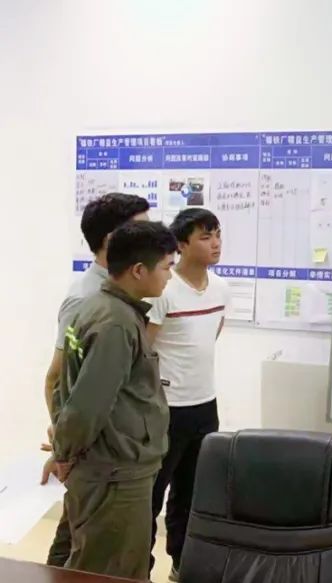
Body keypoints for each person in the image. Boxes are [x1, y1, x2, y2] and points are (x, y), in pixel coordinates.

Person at [49, 221, 177, 579]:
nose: (170, 277)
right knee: (111, 571)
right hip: (115, 476)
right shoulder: (116, 323)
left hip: (109, 469)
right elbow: (87, 405)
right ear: (138, 270)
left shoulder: (98, 307)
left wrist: (65, 450)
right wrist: (64, 454)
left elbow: (64, 389)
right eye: (166, 267)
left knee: (95, 562)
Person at [40, 192, 150, 567]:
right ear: (111, 240)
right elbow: (57, 379)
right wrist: (65, 448)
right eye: (141, 228)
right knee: (85, 547)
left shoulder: (126, 290)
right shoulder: (87, 299)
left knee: (81, 539)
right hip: (100, 459)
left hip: (114, 450)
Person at [146, 209, 229, 580]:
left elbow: (210, 338)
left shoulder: (221, 288)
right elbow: (144, 351)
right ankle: (139, 567)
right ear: (181, 244)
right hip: (167, 409)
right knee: (152, 494)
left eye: (217, 234)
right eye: (205, 237)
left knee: (192, 493)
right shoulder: (163, 290)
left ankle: (183, 564)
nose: (216, 243)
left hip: (205, 405)